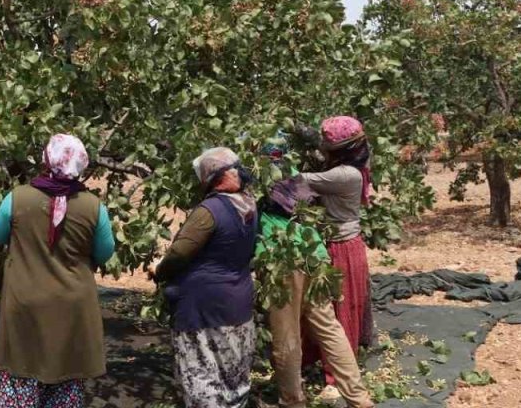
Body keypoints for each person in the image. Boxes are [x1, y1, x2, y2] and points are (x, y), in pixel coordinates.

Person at [0, 133, 115, 408]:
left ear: (47, 159)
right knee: (66, 379)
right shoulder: (94, 206)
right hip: (72, 306)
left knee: (20, 373)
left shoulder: (18, 198)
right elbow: (105, 252)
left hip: (25, 303)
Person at [150, 147, 258, 408]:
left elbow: (179, 253)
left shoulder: (210, 210)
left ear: (210, 179)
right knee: (234, 379)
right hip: (239, 300)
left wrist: (159, 270)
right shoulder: (249, 203)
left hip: (205, 307)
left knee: (202, 377)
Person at [259, 172, 374, 408]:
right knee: (329, 328)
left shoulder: (264, 211)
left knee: (286, 336)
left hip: (285, 265)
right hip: (316, 258)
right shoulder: (302, 213)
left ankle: (293, 401)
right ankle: (359, 398)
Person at [298, 116, 375, 393]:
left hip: (342, 248)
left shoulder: (343, 175)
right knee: (321, 309)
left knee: (338, 312)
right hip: (335, 244)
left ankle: (337, 378)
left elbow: (296, 181)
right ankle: (317, 361)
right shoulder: (355, 164)